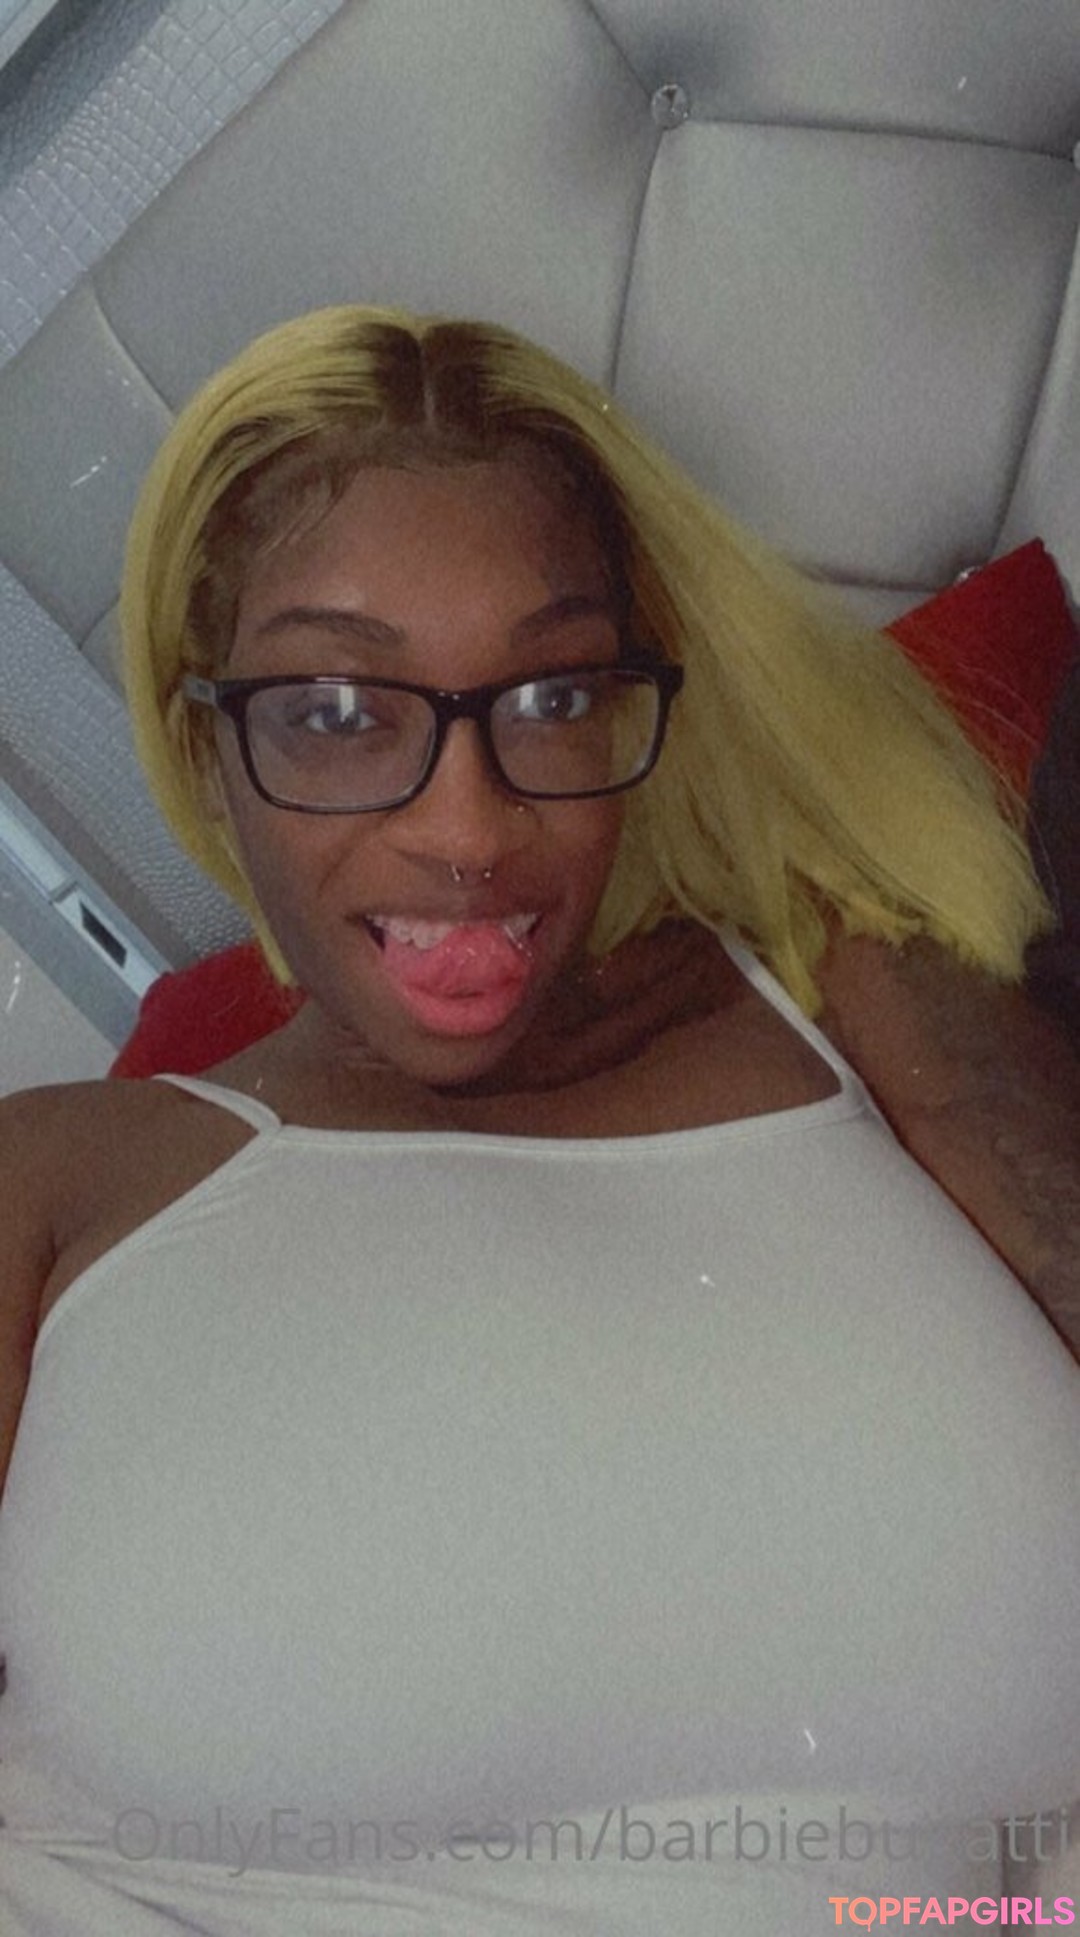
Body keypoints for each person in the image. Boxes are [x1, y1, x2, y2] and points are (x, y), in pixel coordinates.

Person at [0, 304, 1077, 1935]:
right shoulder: (54, 1182)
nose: (471, 827)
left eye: (556, 693)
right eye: (339, 713)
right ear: (208, 745)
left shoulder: (844, 992)